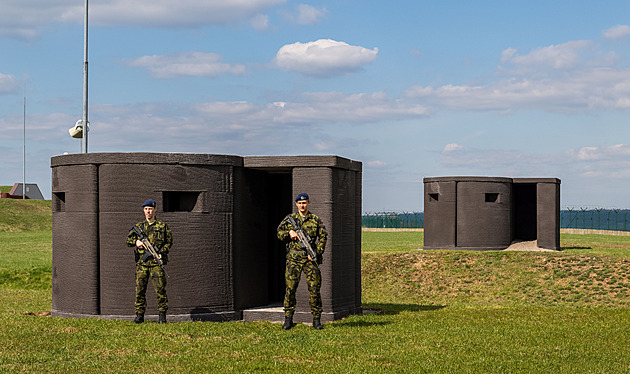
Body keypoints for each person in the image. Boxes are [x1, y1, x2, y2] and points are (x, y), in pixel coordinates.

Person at [277, 193, 328, 330]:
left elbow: (323, 236)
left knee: (314, 289)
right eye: (299, 203)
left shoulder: (315, 219)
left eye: (304, 203)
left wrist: (317, 252)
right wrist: (290, 234)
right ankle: (288, 319)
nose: (302, 205)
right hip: (293, 259)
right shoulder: (290, 220)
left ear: (309, 203)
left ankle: (316, 320)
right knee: (290, 289)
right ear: (296, 204)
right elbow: (279, 233)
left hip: (309, 259)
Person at [126, 199, 173, 324]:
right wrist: (137, 242)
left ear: (155, 209)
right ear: (143, 210)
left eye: (150, 209)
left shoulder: (162, 226)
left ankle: (162, 317)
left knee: (160, 290)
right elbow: (128, 240)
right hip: (142, 264)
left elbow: (169, 242)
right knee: (140, 290)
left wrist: (161, 253)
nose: (148, 211)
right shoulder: (139, 227)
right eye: (146, 209)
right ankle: (139, 316)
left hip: (156, 264)